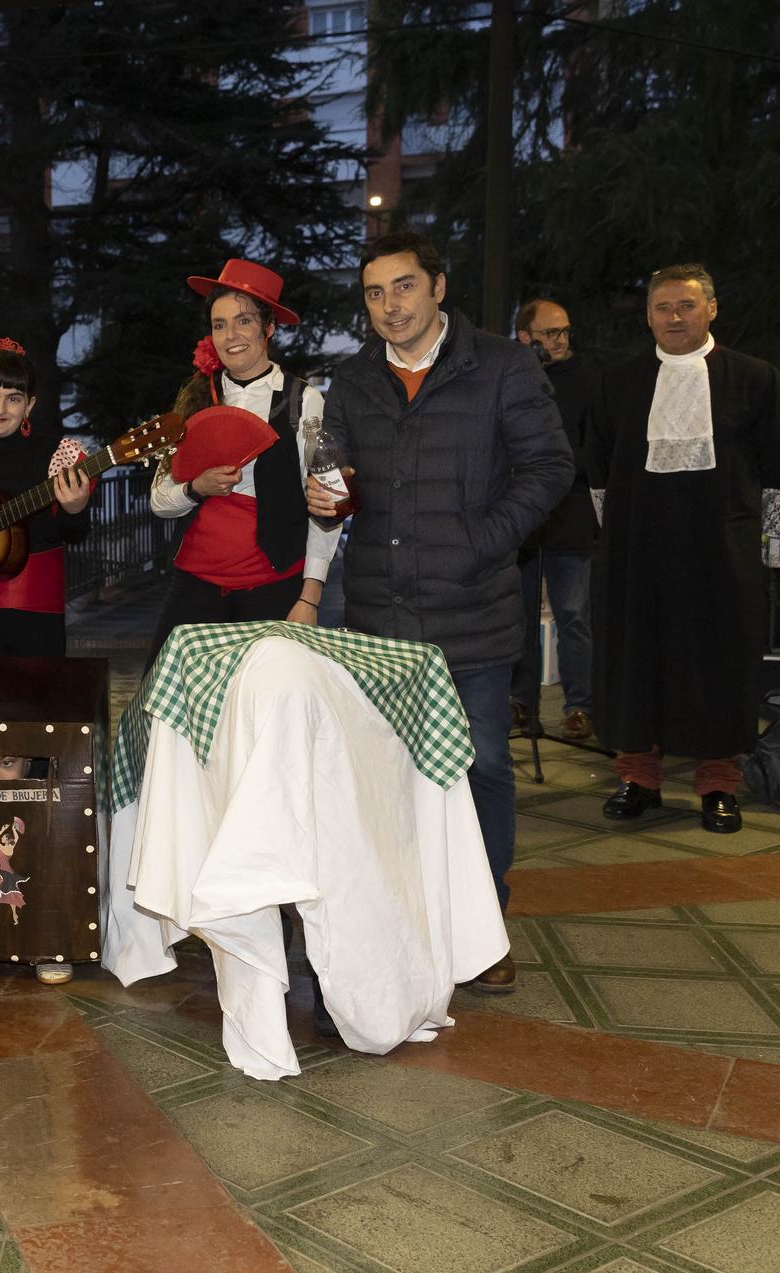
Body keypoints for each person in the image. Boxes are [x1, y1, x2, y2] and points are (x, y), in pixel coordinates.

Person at [309, 231, 572, 994]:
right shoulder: (353, 378)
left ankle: (483, 925)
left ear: (438, 287)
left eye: (403, 287)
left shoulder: (502, 364)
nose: (389, 306)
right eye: (374, 293)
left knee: (482, 767)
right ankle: (403, 919)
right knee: (391, 777)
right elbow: (332, 464)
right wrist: (325, 490)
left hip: (474, 607)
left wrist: (484, 540)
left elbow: (551, 466)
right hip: (380, 614)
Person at [588, 264, 780, 835]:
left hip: (724, 551)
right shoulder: (618, 382)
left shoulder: (757, 379)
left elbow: (776, 472)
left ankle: (719, 785)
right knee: (635, 661)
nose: (674, 318)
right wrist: (612, 540)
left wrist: (772, 550)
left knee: (720, 663)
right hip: (637, 552)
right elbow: (597, 471)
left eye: (687, 306)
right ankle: (638, 778)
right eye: (663, 308)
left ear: (712, 309)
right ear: (648, 315)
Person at [150, 260, 338, 655]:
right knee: (169, 699)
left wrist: (310, 596)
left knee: (266, 708)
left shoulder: (303, 401)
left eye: (244, 321)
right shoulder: (195, 399)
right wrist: (195, 488)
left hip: (273, 588)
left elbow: (326, 503)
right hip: (196, 587)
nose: (230, 335)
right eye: (219, 324)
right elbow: (159, 502)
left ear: (268, 328)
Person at [0, 338, 95, 657]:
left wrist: (75, 509)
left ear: (30, 405)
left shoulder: (57, 456)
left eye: (13, 398)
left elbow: (75, 535)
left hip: (35, 614)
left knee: (34, 703)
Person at [510, 299, 599, 741]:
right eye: (551, 333)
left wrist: (552, 463)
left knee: (574, 615)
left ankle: (579, 705)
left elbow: (597, 448)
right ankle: (522, 704)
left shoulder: (587, 380)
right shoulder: (514, 377)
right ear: (525, 337)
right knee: (519, 615)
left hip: (573, 515)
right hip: (524, 520)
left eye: (565, 331)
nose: (561, 340)